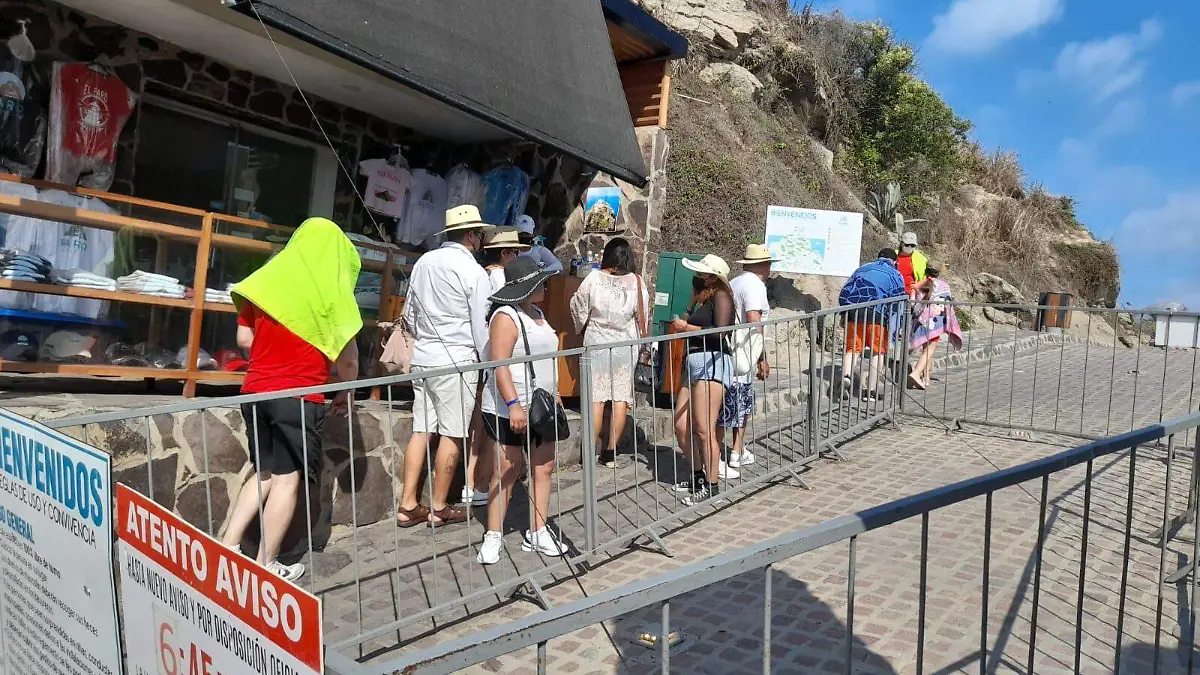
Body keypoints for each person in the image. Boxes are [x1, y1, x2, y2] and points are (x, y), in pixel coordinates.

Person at [222, 217, 362, 582]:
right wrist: (345, 391)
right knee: (287, 479)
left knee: (263, 472)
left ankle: (229, 545)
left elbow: (245, 340)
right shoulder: (330, 290)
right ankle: (264, 565)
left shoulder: (269, 279)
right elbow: (347, 359)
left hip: (255, 391)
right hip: (298, 395)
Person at [396, 205, 493, 528]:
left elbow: (408, 315)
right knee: (453, 432)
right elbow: (480, 326)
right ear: (470, 235)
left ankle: (408, 503)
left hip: (424, 356)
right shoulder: (474, 272)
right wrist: (489, 363)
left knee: (421, 429)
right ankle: (439, 506)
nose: (481, 240)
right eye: (479, 234)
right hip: (457, 358)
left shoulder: (424, 262)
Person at [476, 256, 567, 563]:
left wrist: (554, 393)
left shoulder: (537, 312)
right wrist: (514, 404)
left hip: (540, 404)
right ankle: (493, 534)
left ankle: (539, 530)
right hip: (509, 406)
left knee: (544, 467)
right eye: (539, 281)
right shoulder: (505, 315)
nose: (545, 285)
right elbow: (500, 364)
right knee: (507, 470)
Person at [461, 227, 530, 507]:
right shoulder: (501, 277)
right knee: (488, 426)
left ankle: (470, 481)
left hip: (481, 353)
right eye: (514, 251)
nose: (516, 255)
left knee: (478, 426)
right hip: (493, 353)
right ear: (504, 253)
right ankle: (479, 484)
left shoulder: (482, 273)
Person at [569, 237, 648, 468]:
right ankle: (611, 452)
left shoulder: (594, 278)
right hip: (625, 345)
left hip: (597, 342)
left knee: (596, 398)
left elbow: (578, 304)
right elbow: (641, 315)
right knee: (621, 398)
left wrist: (582, 323)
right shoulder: (636, 281)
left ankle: (589, 453)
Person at [670, 254, 736, 505]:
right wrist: (691, 301)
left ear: (712, 277)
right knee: (681, 423)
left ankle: (711, 484)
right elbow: (687, 321)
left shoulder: (722, 296)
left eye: (700, 274)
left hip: (712, 363)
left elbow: (720, 332)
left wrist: (686, 329)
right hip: (694, 362)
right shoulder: (704, 298)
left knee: (704, 427)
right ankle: (698, 474)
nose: (696, 277)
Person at [718, 244, 776, 469]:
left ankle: (735, 449)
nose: (770, 267)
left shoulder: (736, 281)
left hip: (731, 349)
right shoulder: (755, 285)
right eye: (768, 262)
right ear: (761, 265)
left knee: (730, 401)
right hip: (744, 352)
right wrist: (762, 356)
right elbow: (754, 319)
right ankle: (736, 450)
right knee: (741, 403)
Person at [838, 248, 905, 402]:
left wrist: (844, 313)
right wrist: (896, 324)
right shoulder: (895, 274)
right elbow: (899, 299)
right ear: (894, 261)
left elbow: (845, 291)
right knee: (877, 352)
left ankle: (846, 376)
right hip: (878, 314)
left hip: (853, 312)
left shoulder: (862, 268)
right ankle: (871, 392)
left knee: (852, 349)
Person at [908, 261, 963, 389]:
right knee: (929, 349)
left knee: (926, 349)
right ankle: (916, 373)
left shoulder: (920, 284)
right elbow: (947, 305)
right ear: (939, 272)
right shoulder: (944, 286)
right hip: (935, 322)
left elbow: (912, 303)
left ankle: (926, 376)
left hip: (920, 321)